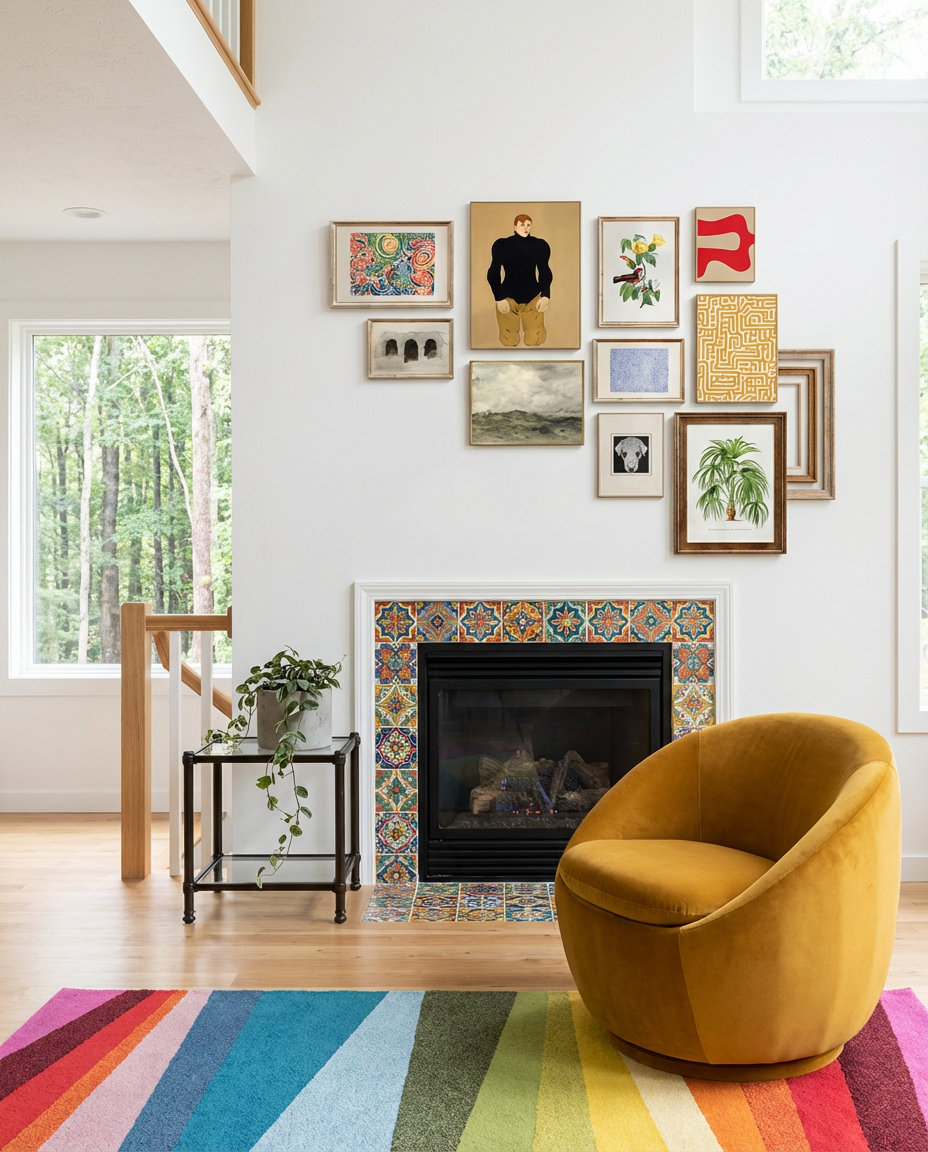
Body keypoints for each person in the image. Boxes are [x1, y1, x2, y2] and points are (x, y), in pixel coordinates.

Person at [486, 214, 552, 347]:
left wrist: (545, 295)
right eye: (522, 225)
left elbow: (544, 271)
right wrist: (499, 297)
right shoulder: (502, 245)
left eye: (528, 225)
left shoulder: (539, 246)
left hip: (533, 298)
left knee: (535, 340)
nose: (525, 228)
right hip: (508, 299)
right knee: (508, 340)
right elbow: (493, 272)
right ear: (515, 226)